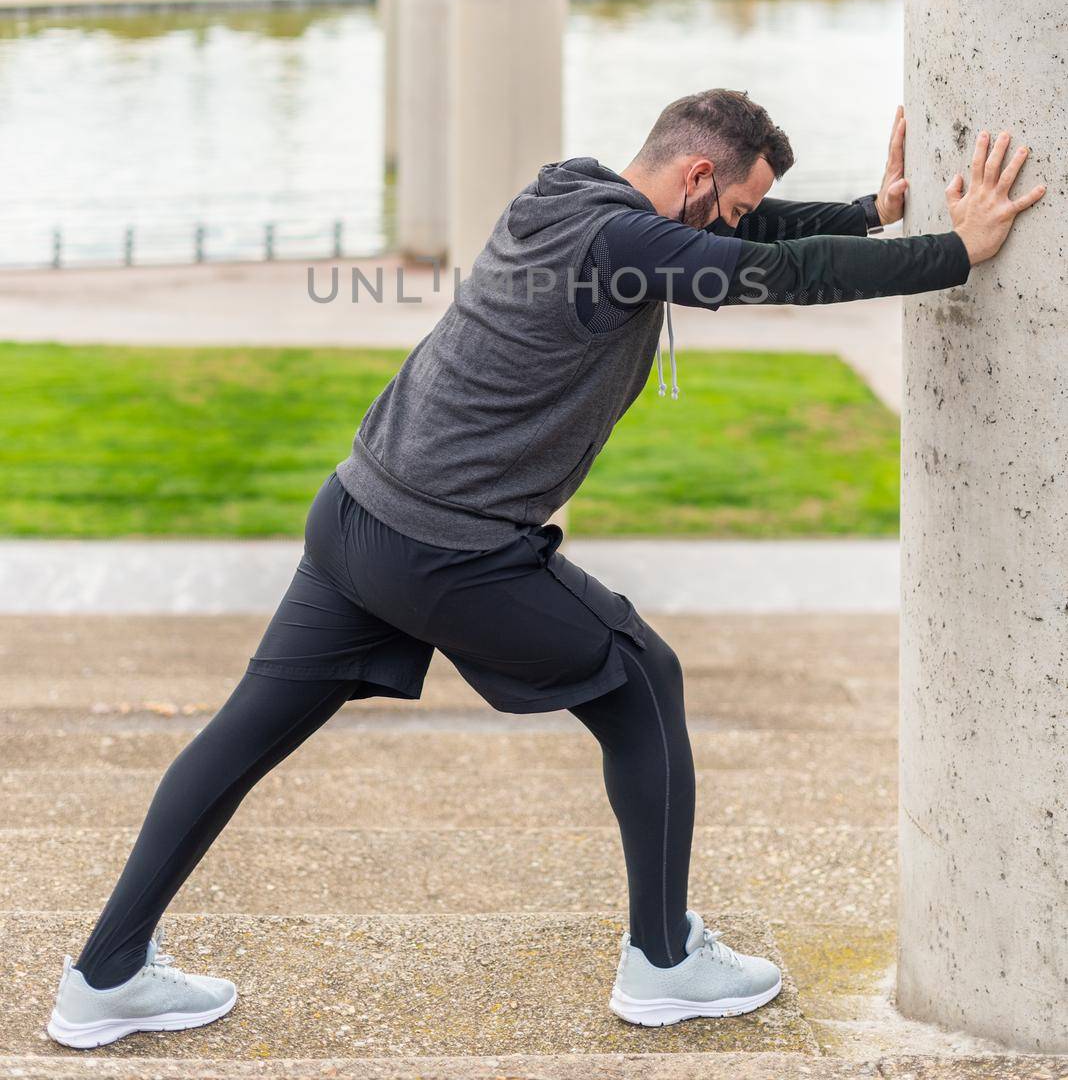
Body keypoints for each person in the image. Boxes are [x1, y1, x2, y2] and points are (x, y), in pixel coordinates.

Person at [47, 90, 1045, 1048]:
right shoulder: (623, 243)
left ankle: (102, 977)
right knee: (643, 678)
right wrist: (957, 251)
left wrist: (872, 211)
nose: (739, 226)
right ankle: (661, 961)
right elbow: (780, 272)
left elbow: (752, 234)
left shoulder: (567, 187)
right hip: (445, 548)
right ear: (697, 173)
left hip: (354, 511)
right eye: (733, 204)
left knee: (239, 739)